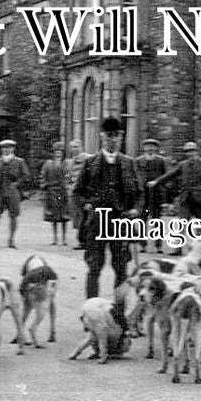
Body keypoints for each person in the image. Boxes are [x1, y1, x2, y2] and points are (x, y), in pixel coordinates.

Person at [73, 117, 142, 299]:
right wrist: (86, 206)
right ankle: (91, 311)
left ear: (121, 138)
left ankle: (119, 316)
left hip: (121, 222)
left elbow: (140, 194)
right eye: (109, 136)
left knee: (121, 268)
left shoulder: (129, 163)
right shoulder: (90, 163)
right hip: (96, 222)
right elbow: (77, 192)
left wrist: (135, 209)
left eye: (116, 136)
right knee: (94, 267)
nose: (112, 140)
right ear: (102, 137)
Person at [151, 141, 201, 254]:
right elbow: (170, 175)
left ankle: (198, 250)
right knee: (181, 224)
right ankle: (177, 249)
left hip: (200, 199)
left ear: (196, 151)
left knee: (199, 226)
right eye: (187, 152)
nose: (190, 153)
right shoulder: (182, 164)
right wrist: (156, 181)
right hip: (185, 199)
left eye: (192, 151)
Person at [0, 139, 29, 249]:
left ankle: (11, 240)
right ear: (1, 149)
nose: (6, 150)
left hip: (13, 192)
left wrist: (17, 183)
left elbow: (26, 176)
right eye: (4, 148)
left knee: (13, 216)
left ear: (13, 149)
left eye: (9, 147)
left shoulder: (19, 162)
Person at [135, 139, 170, 253]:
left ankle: (158, 245)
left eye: (152, 146)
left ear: (156, 149)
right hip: (143, 195)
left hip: (156, 195)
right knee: (142, 219)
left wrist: (164, 192)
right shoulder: (138, 161)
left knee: (157, 220)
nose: (150, 148)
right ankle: (142, 245)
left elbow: (166, 176)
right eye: (147, 146)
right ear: (144, 148)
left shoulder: (161, 160)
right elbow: (134, 176)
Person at [40, 141, 70, 245]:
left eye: (60, 152)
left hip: (63, 192)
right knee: (53, 216)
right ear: (53, 153)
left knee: (64, 217)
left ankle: (64, 239)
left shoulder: (66, 163)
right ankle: (55, 238)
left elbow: (69, 177)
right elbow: (42, 176)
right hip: (51, 192)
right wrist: (44, 186)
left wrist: (68, 187)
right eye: (56, 152)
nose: (58, 154)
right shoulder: (48, 164)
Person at [64, 140, 88, 249]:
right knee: (78, 218)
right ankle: (82, 241)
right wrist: (69, 189)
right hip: (75, 194)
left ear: (81, 147)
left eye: (76, 146)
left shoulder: (88, 159)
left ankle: (87, 241)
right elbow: (67, 178)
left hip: (86, 193)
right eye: (72, 147)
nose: (74, 149)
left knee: (87, 217)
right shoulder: (69, 162)